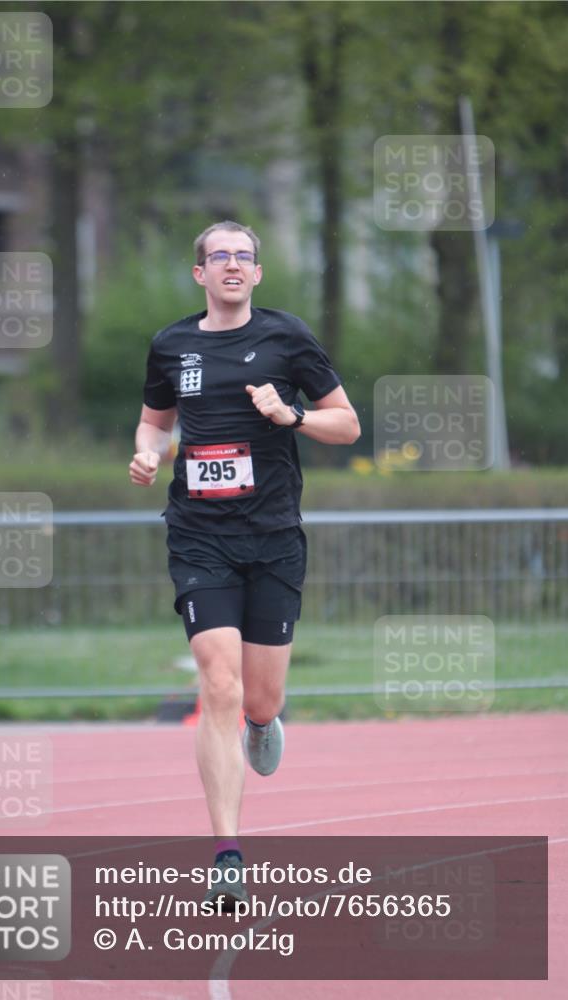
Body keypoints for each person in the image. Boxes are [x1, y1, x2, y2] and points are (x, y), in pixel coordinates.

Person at [129, 221, 360, 907]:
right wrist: (147, 451)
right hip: (199, 536)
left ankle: (265, 721)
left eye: (242, 256)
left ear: (256, 274)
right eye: (218, 256)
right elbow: (155, 421)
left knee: (257, 700)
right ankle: (226, 854)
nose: (231, 264)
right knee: (218, 688)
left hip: (273, 537)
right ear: (198, 273)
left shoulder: (286, 338)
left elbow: (346, 424)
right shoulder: (172, 345)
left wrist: (289, 415)